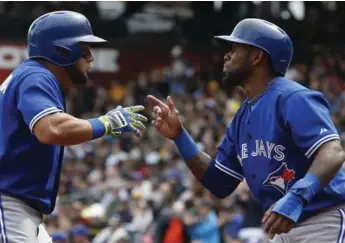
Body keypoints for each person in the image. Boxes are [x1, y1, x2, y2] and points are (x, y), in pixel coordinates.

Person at [147, 18, 345, 243]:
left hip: (323, 218)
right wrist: (181, 137)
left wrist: (298, 196)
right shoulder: (242, 116)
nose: (226, 55)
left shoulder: (292, 97)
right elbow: (220, 182)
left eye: (234, 49)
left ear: (256, 56)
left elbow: (333, 151)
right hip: (285, 228)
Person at [0, 11, 147, 243]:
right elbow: (51, 129)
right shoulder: (36, 75)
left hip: (19, 207)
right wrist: (106, 122)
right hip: (8, 202)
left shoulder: (33, 76)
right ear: (62, 50)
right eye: (85, 50)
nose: (91, 58)